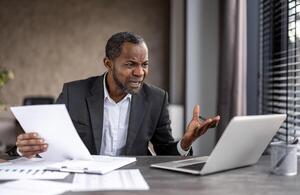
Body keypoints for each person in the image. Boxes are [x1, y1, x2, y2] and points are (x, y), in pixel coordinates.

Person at [15, 32, 220, 158]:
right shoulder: (74, 94)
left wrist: (185, 143)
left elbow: (164, 152)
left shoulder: (156, 99)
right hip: (85, 181)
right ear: (108, 63)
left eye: (144, 64)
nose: (140, 73)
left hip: (133, 183)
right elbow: (45, 141)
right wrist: (26, 148)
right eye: (130, 64)